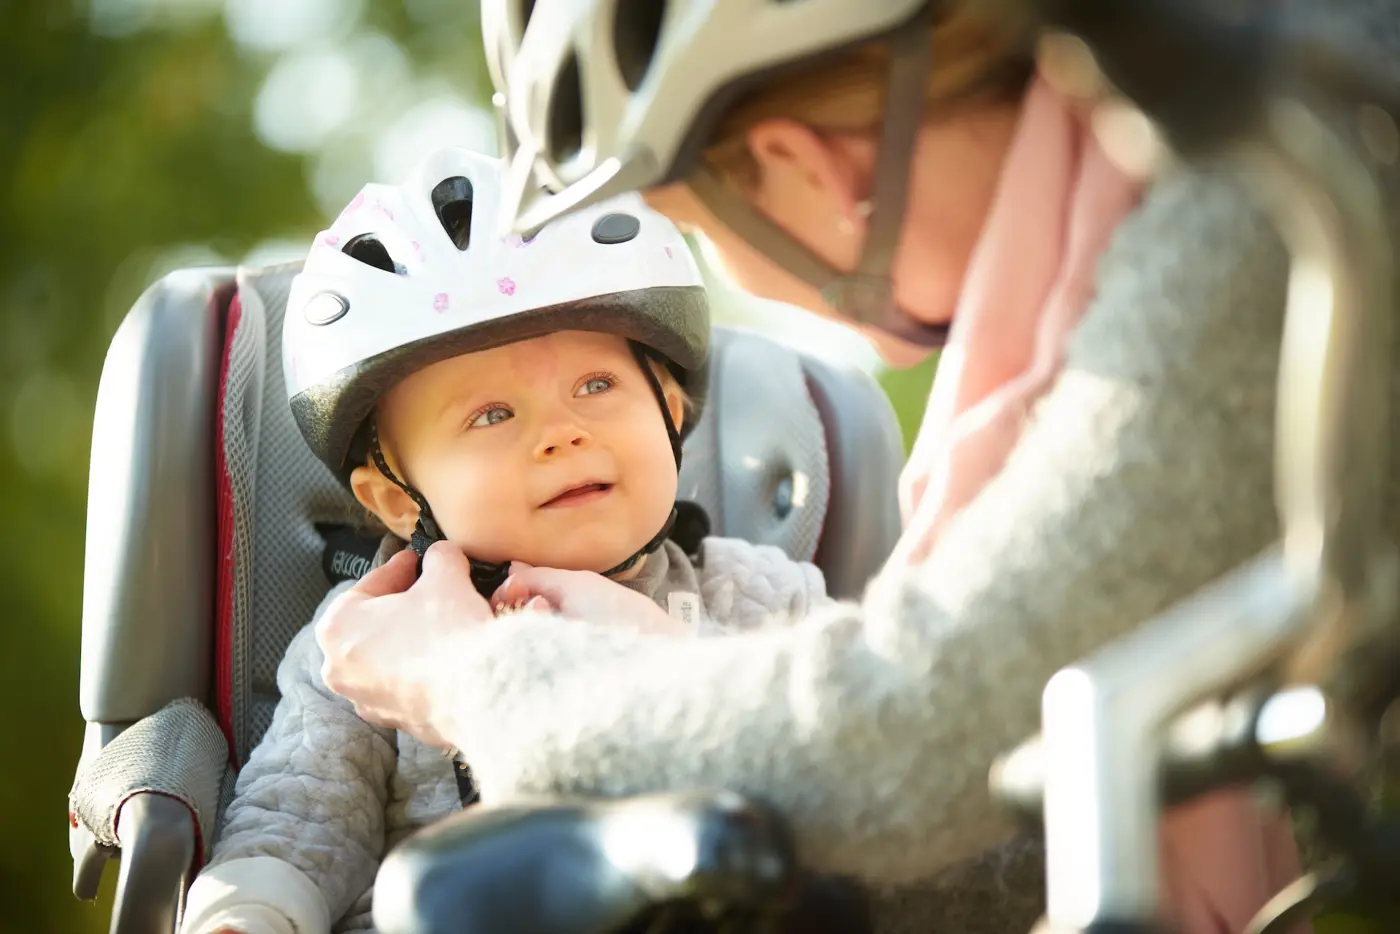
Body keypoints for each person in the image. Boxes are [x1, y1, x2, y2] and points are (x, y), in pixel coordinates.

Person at [315, 1, 1400, 931]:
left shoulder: (1263, 217)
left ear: (800, 165)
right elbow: (1008, 826)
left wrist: (457, 676)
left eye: (688, 223)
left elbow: (902, 732)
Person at [177, 148, 831, 934]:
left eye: (597, 385)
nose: (563, 433)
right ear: (393, 496)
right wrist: (248, 912)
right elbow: (300, 823)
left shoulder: (764, 599)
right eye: (491, 416)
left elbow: (835, 774)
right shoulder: (365, 645)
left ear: (669, 408)